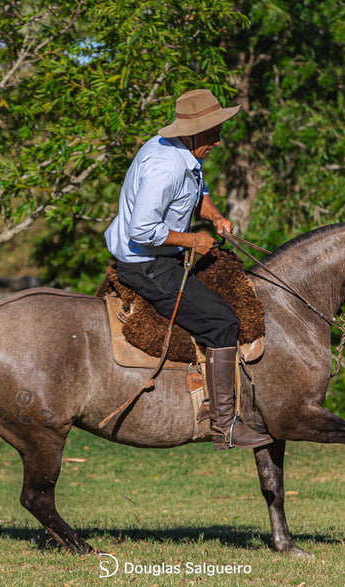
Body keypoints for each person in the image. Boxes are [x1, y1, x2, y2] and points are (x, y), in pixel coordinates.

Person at [105, 89, 273, 451]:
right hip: (147, 265)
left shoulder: (180, 153)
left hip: (161, 257)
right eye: (212, 132)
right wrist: (192, 241)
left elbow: (198, 189)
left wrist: (213, 215)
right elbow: (141, 230)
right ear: (191, 132)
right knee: (222, 321)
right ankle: (224, 425)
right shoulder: (165, 167)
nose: (218, 140)